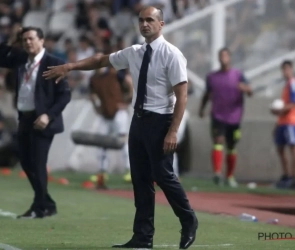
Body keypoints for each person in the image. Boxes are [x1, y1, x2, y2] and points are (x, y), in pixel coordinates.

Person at [43, 6, 198, 249]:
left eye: (150, 20)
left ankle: (188, 220)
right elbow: (101, 60)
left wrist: (173, 130)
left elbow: (182, 96)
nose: (144, 24)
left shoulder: (172, 54)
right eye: (141, 20)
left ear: (161, 24)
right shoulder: (135, 52)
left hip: (161, 121)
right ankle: (143, 237)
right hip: (137, 120)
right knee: (140, 180)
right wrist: (70, 67)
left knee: (163, 175)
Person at [0, 26, 71, 218]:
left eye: (31, 39)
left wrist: (48, 115)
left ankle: (40, 207)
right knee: (26, 163)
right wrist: (12, 40)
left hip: (43, 119)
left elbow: (64, 95)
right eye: (25, 40)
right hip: (24, 117)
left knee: (38, 163)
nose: (28, 43)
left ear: (42, 40)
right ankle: (46, 202)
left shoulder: (54, 63)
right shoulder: (21, 59)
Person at [199, 48, 252, 188]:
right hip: (218, 115)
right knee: (218, 140)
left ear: (230, 57)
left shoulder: (238, 75)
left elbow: (250, 91)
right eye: (221, 55)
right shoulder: (212, 77)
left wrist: (245, 89)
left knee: (231, 146)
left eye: (225, 55)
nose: (223, 58)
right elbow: (207, 94)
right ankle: (217, 173)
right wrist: (202, 109)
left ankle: (230, 176)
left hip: (234, 117)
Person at [89, 65, 132, 188]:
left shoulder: (115, 74)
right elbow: (91, 94)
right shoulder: (93, 79)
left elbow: (129, 83)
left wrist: (127, 100)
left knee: (123, 140)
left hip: (118, 111)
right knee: (101, 142)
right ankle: (102, 172)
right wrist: (96, 107)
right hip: (105, 113)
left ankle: (130, 170)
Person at [271, 60, 295, 189]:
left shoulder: (293, 83)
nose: (285, 72)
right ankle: (287, 175)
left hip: (291, 121)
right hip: (283, 121)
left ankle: (294, 178)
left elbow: (293, 103)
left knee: (293, 148)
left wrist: (278, 111)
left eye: (287, 69)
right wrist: (277, 122)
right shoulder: (287, 85)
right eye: (283, 69)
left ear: (291, 69)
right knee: (280, 148)